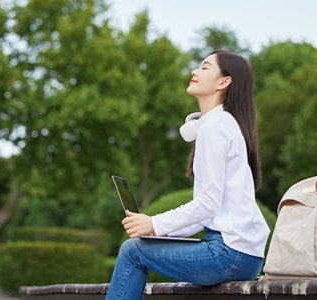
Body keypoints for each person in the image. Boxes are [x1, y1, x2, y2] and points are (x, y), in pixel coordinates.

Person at [105, 49, 270, 300]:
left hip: (230, 254)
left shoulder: (215, 128)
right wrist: (159, 230)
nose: (195, 71)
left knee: (133, 252)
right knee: (138, 248)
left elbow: (207, 204)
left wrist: (155, 223)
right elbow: (211, 212)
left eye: (205, 67)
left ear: (224, 82)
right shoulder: (223, 124)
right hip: (242, 254)